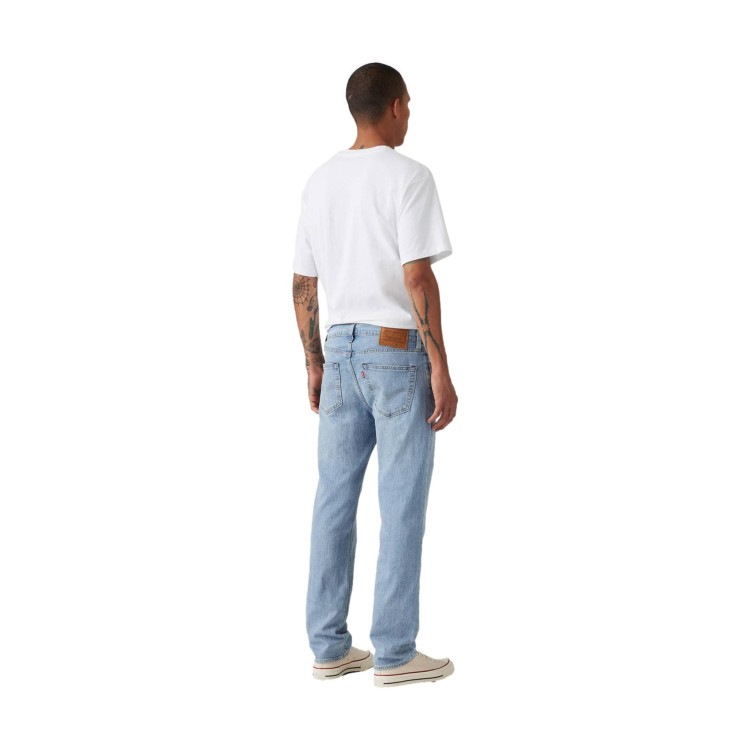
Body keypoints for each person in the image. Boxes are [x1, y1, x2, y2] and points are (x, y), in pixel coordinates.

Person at [292, 62, 458, 687]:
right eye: (408, 105)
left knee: (333, 500)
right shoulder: (409, 177)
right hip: (395, 351)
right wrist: (440, 365)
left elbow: (303, 283)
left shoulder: (319, 181)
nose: (408, 115)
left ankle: (329, 646)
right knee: (401, 501)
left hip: (338, 349)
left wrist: (314, 361)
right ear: (393, 106)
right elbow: (417, 276)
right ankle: (393, 652)